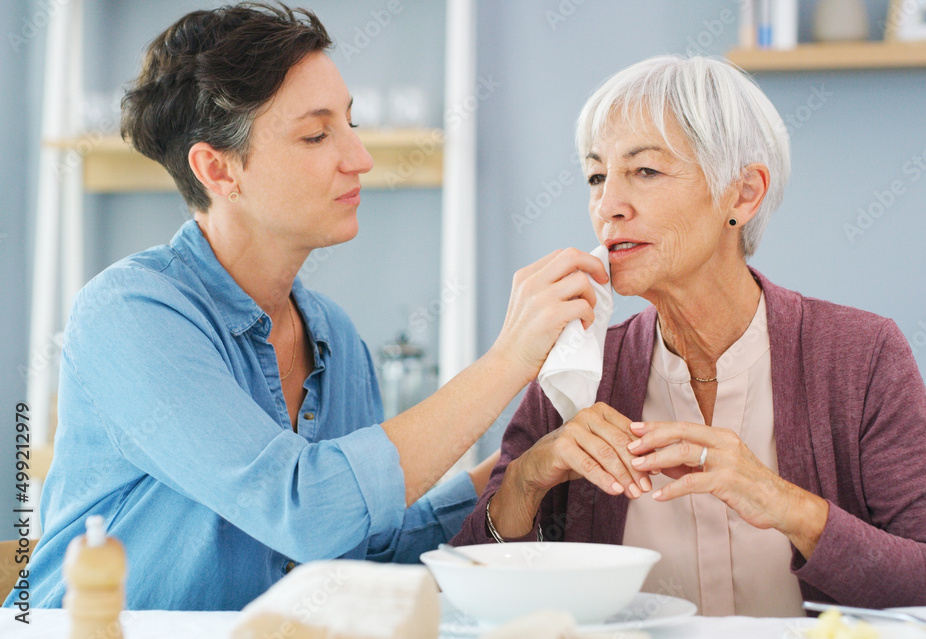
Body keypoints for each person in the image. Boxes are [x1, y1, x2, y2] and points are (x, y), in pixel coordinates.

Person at [4, 4, 607, 611]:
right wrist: (508, 359)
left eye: (350, 124)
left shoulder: (335, 341)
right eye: (317, 135)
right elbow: (304, 509)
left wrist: (520, 469)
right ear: (218, 168)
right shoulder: (130, 315)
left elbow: (363, 557)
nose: (360, 158)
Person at [452, 55, 926, 616]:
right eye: (596, 176)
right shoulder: (578, 368)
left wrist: (785, 504)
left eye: (645, 171)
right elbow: (467, 596)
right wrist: (527, 480)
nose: (607, 206)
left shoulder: (861, 356)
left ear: (742, 195)